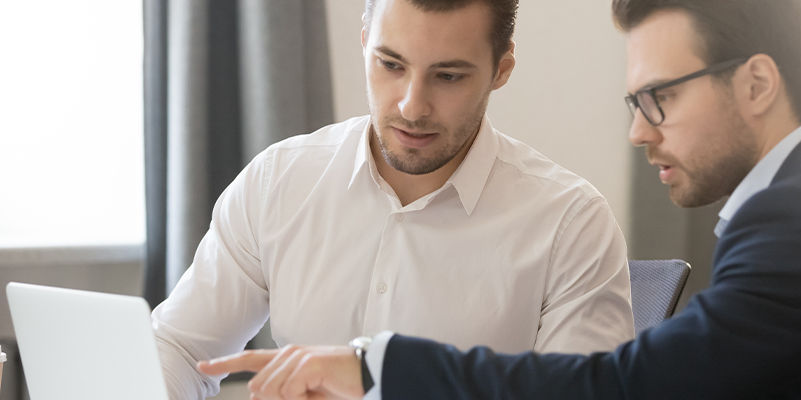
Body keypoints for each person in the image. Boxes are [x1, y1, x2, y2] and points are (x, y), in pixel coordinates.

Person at [200, 0, 801, 398]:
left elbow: (621, 390)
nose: (640, 133)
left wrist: (377, 362)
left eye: (658, 98)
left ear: (758, 83)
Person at [155, 0, 636, 398]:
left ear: (500, 70)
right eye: (391, 64)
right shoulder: (278, 181)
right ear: (365, 41)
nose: (411, 106)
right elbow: (179, 346)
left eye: (447, 76)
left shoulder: (571, 224)